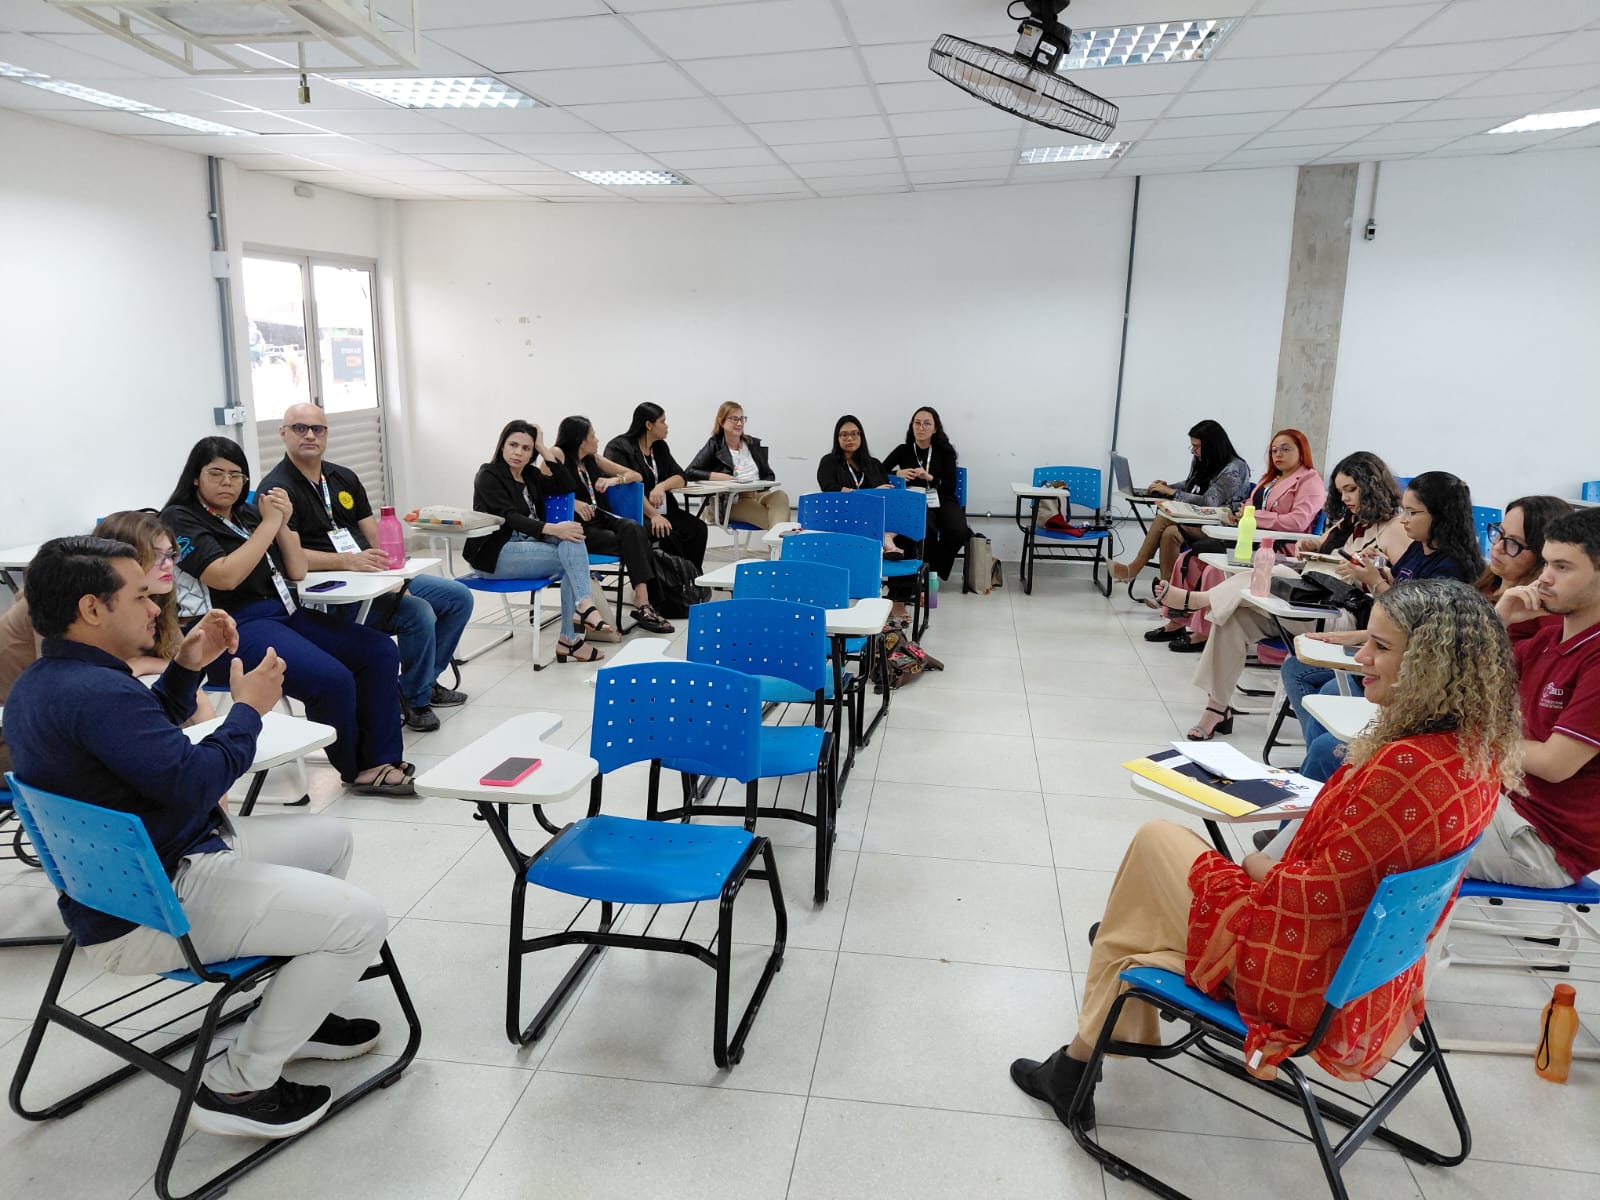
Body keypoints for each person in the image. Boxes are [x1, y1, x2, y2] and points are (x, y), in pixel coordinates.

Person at [1009, 580, 1516, 1132]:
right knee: (1143, 904)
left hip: (1302, 977)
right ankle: (1094, 1027)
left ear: (1431, 665)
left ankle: (1082, 1054)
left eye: (1381, 647)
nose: (1361, 658)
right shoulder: (1475, 754)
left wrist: (1258, 866)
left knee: (1155, 841)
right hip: (1370, 971)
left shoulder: (1405, 767)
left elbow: (1309, 898)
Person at [5, 535, 390, 1139]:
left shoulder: (45, 682)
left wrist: (186, 669)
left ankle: (295, 1013)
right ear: (92, 609)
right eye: (140, 596)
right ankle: (241, 1084)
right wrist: (248, 710)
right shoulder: (98, 693)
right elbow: (193, 782)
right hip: (153, 907)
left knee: (329, 840)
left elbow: (140, 744)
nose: (155, 606)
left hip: (134, 877)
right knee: (361, 922)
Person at [162, 437, 414, 795]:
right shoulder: (179, 518)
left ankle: (381, 757)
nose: (227, 483)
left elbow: (296, 570)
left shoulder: (248, 515)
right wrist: (269, 524)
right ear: (195, 477)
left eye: (236, 475)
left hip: (284, 612)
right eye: (216, 473)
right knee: (331, 678)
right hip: (228, 630)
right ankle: (358, 767)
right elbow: (224, 576)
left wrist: (281, 523)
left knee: (378, 650)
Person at [259, 404, 474, 733]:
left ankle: (417, 684)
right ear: (283, 433)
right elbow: (292, 559)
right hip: (330, 592)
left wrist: (395, 573)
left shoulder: (343, 477)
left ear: (327, 434)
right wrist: (348, 561)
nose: (310, 435)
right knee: (418, 613)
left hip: (370, 575)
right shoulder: (277, 490)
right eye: (300, 428)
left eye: (318, 429)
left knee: (458, 597)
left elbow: (373, 534)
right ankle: (416, 699)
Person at [1173, 451, 1408, 741]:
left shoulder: (1395, 530)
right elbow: (1322, 548)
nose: (1346, 498)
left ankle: (1200, 600)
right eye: (1340, 492)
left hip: (1345, 615)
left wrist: (1372, 575)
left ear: (1371, 486)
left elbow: (1402, 597)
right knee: (1235, 618)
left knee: (1274, 572)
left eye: (1351, 489)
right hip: (1312, 602)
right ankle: (1217, 708)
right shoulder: (1350, 522)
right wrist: (1311, 546)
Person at [1273, 471, 1486, 781]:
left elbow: (1414, 625)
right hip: (1382, 647)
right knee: (1300, 673)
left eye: (1413, 513)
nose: (1404, 520)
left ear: (1441, 515)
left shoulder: (1452, 568)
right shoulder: (1418, 547)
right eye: (1404, 511)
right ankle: (1325, 767)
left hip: (1407, 668)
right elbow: (1401, 591)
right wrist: (1381, 573)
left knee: (1328, 696)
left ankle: (1333, 765)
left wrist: (1374, 583)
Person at [1, 510, 218, 778]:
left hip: (64, 726)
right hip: (25, 738)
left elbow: (181, 670)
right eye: (157, 556)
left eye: (172, 554)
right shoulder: (59, 605)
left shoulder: (156, 598)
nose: (168, 565)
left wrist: (149, 664)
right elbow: (66, 680)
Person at [1468, 506, 1600, 886]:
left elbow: (1554, 763)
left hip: (1544, 842)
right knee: (1365, 798)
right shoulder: (1547, 639)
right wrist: (1500, 619)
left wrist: (1473, 738)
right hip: (1502, 801)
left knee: (1381, 830)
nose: (1544, 578)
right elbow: (1463, 689)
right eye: (1546, 563)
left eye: (1562, 567)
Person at [1145, 429, 1327, 651]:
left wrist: (1255, 516)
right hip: (1250, 540)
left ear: (1302, 451)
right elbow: (1249, 505)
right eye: (1274, 450)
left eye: (1286, 449)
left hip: (1279, 550)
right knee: (1189, 558)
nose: (1278, 454)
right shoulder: (1271, 478)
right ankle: (1176, 622)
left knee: (1213, 569)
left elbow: (1298, 521)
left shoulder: (1309, 481)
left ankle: (1205, 632)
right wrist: (1242, 514)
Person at [463, 420, 612, 663]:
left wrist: (544, 448)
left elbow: (567, 484)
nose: (518, 452)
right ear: (502, 446)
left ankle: (582, 609)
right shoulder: (488, 474)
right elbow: (509, 517)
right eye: (513, 445)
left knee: (573, 535)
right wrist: (553, 529)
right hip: (497, 553)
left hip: (530, 544)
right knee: (571, 560)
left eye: (526, 448)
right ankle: (572, 635)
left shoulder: (531, 475)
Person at [550, 415, 674, 634]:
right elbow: (541, 488)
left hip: (603, 517)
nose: (597, 439)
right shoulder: (558, 455)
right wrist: (573, 502)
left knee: (634, 528)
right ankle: (644, 603)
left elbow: (635, 476)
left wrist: (614, 480)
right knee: (636, 541)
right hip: (578, 528)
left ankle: (642, 599)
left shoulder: (593, 460)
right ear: (580, 441)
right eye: (593, 435)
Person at [1111, 420, 1255, 586]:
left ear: (1213, 446)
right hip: (1201, 520)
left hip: (1222, 526)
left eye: (1197, 446)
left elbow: (1209, 501)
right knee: (1170, 533)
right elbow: (1190, 484)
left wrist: (1172, 493)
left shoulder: (1235, 469)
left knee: (1165, 514)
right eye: (1192, 446)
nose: (1194, 451)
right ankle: (1167, 590)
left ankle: (1134, 567)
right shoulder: (1205, 460)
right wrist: (1167, 487)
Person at [603, 403, 708, 571]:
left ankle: (692, 576)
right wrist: (654, 515)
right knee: (668, 533)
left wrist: (662, 486)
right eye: (663, 421)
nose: (667, 426)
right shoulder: (619, 447)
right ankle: (673, 579)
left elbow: (681, 477)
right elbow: (628, 488)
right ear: (649, 425)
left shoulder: (659, 447)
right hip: (636, 512)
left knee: (698, 529)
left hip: (663, 508)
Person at [883, 406, 972, 582]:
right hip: (915, 500)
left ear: (935, 428)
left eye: (927, 424)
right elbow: (878, 471)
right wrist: (896, 473)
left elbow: (950, 486)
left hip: (943, 497)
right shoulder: (903, 450)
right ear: (912, 426)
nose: (921, 427)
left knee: (959, 530)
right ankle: (927, 575)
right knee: (925, 529)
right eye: (917, 423)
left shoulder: (945, 451)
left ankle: (934, 570)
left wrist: (930, 477)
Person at [685, 402, 790, 530]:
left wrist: (755, 486)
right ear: (721, 422)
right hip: (734, 501)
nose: (740, 423)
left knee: (780, 495)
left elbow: (769, 475)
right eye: (734, 419)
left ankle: (778, 540)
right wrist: (720, 477)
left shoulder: (752, 443)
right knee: (779, 523)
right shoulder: (715, 445)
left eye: (742, 419)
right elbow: (689, 472)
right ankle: (781, 540)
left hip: (759, 494)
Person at [815, 413, 901, 559]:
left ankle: (887, 539)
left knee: (897, 512)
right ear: (837, 438)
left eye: (854, 434)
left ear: (861, 436)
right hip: (842, 514)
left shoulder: (874, 464)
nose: (849, 438)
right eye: (844, 435)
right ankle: (885, 542)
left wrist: (870, 494)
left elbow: (885, 491)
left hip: (872, 514)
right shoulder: (829, 461)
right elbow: (829, 487)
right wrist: (869, 493)